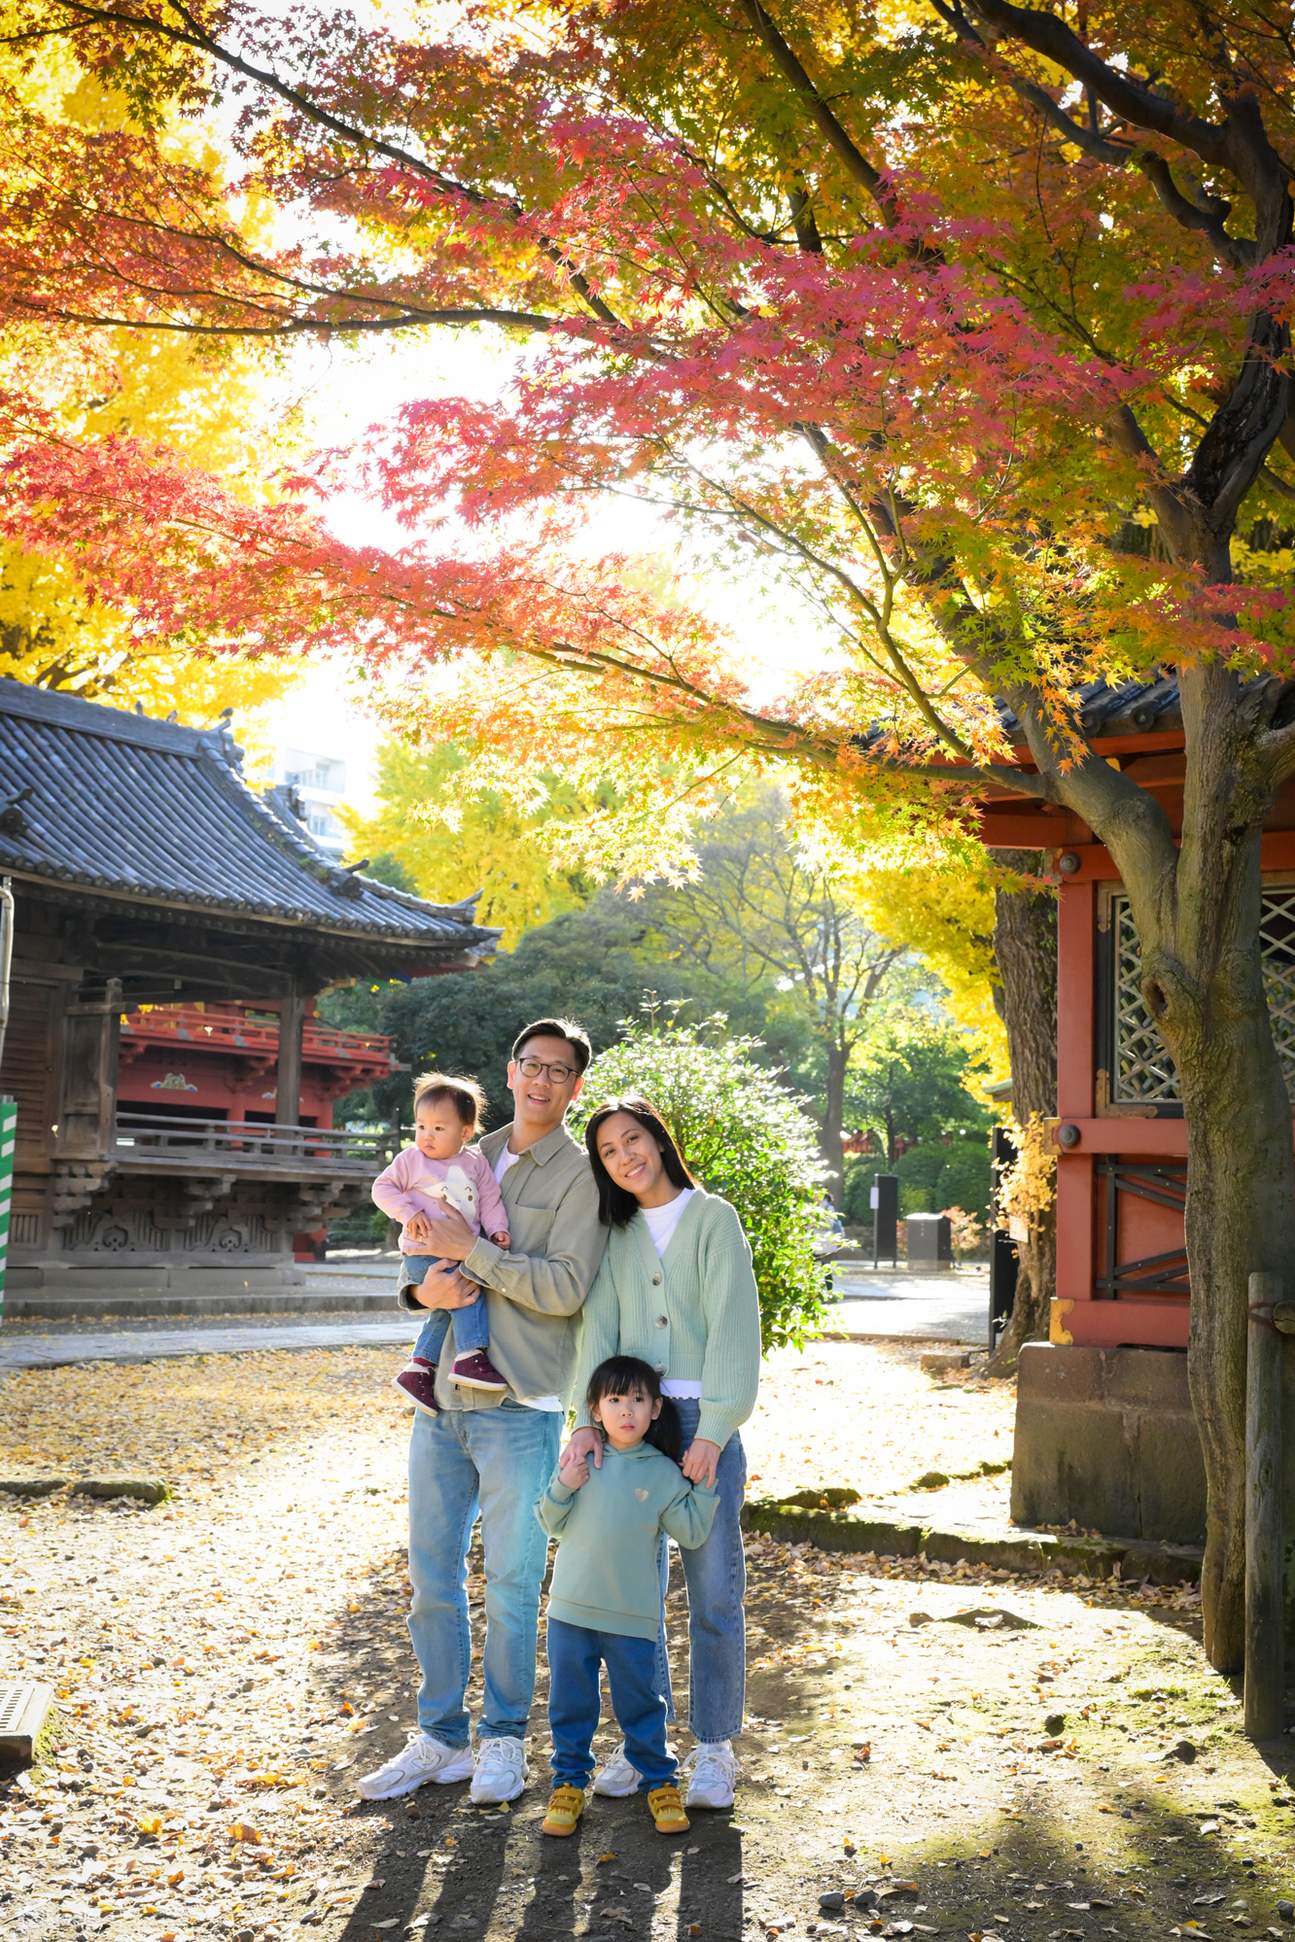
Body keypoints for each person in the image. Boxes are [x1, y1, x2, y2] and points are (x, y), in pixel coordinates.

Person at [357, 1020, 608, 1807]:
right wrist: (416, 1291)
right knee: (430, 1576)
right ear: (509, 1071)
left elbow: (566, 1288)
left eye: (558, 1071)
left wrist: (475, 1252)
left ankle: (502, 1739)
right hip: (439, 1400)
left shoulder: (581, 1175)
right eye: (531, 1064)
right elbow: (414, 1244)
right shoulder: (458, 1144)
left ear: (575, 1086)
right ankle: (439, 1736)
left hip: (519, 1403)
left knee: (510, 1581)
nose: (541, 1080)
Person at [562, 1097, 760, 1812]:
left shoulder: (713, 1219)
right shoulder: (615, 1235)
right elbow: (597, 1329)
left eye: (633, 1140)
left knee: (714, 1591)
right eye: (609, 1151)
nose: (625, 1157)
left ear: (658, 1140)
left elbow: (735, 1324)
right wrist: (583, 1421)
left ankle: (714, 1747)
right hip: (627, 1426)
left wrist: (714, 1429)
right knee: (630, 1599)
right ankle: (644, 1746)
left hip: (701, 1422)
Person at [536, 1355, 717, 1839]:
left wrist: (703, 1486)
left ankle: (659, 1782)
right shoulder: (581, 1462)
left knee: (641, 1703)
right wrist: (564, 1485)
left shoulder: (662, 1473)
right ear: (595, 1409)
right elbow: (550, 1522)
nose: (626, 1410)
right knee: (570, 1703)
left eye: (638, 1399)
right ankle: (568, 1783)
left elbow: (691, 1532)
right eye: (614, 1399)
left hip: (631, 1616)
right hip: (570, 1610)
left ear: (655, 1409)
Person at [371, 1073, 512, 1410]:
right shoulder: (411, 1160)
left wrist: (497, 1229)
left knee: (445, 1311)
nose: (426, 1136)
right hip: (424, 1250)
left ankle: (418, 1368)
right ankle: (470, 1355)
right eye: (420, 1126)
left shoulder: (475, 1162)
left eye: (438, 1128)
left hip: (460, 1249)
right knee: (466, 1294)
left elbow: (490, 1199)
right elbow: (382, 1188)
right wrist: (408, 1213)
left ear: (465, 1132)